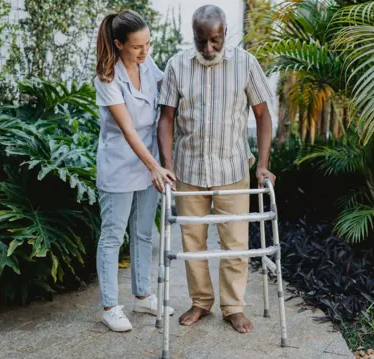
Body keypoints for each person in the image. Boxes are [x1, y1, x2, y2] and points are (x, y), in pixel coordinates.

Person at [157, 5, 276, 334]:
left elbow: (263, 115)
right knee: (192, 243)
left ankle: (233, 307)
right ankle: (200, 302)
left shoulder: (246, 64)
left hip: (232, 166)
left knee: (234, 244)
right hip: (189, 169)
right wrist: (167, 166)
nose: (208, 48)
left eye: (215, 40)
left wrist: (263, 165)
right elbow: (166, 119)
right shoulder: (177, 65)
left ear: (225, 33)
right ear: (193, 35)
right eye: (201, 40)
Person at [94, 9, 176, 332]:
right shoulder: (107, 77)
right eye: (137, 46)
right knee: (113, 235)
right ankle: (110, 306)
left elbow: (170, 94)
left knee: (143, 232)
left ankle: (142, 296)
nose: (145, 51)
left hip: (148, 164)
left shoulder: (148, 65)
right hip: (119, 165)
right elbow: (127, 128)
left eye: (148, 44)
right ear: (118, 44)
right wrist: (155, 166)